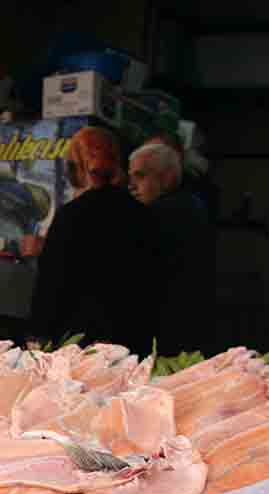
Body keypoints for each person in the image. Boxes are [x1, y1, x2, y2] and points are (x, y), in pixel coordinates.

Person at [29, 126, 162, 354]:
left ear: (76, 168)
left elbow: (51, 283)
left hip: (78, 343)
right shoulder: (145, 216)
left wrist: (38, 334)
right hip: (132, 340)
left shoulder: (70, 216)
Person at [128, 142, 217, 355]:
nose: (131, 185)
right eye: (130, 177)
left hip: (164, 335)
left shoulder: (158, 215)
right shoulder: (195, 205)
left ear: (167, 178)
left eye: (140, 176)